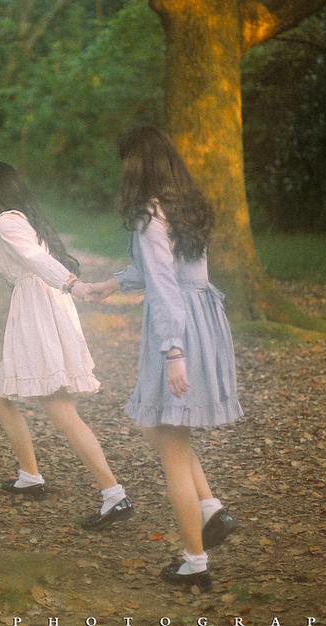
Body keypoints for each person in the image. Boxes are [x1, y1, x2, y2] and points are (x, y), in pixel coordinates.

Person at [84, 126, 244, 590]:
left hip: (179, 327)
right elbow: (161, 269)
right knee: (162, 429)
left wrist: (174, 351)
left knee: (172, 447)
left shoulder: (149, 214)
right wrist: (112, 284)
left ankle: (195, 563)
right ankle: (210, 509)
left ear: (138, 165)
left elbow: (164, 284)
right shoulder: (185, 204)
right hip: (203, 319)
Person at [0, 161, 133, 530]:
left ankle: (114, 494)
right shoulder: (25, 218)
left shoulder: (6, 221)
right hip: (40, 312)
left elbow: (35, 260)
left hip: (39, 317)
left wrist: (74, 285)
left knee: (61, 409)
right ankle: (30, 476)